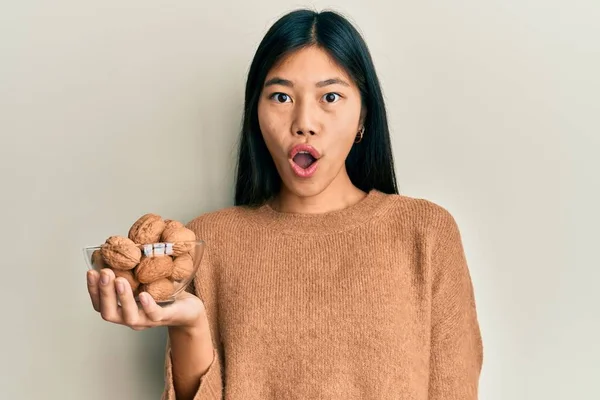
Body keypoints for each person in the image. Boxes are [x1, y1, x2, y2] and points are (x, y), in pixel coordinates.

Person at [86, 8, 483, 400]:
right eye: (280, 96)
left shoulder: (425, 231)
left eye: (330, 96)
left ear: (363, 116)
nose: (304, 121)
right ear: (255, 115)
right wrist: (188, 325)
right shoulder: (207, 241)